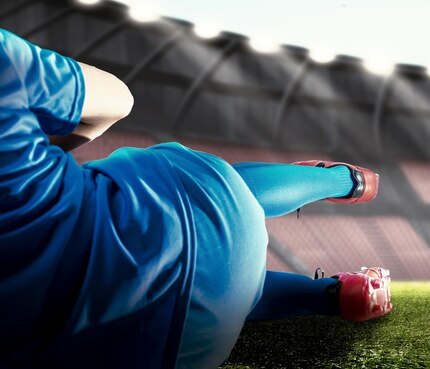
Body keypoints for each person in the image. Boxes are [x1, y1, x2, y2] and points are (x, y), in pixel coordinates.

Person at [0, 28, 392, 369]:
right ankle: (347, 181)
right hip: (195, 225)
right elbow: (117, 99)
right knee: (202, 193)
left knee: (191, 305)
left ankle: (333, 296)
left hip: (171, 353)